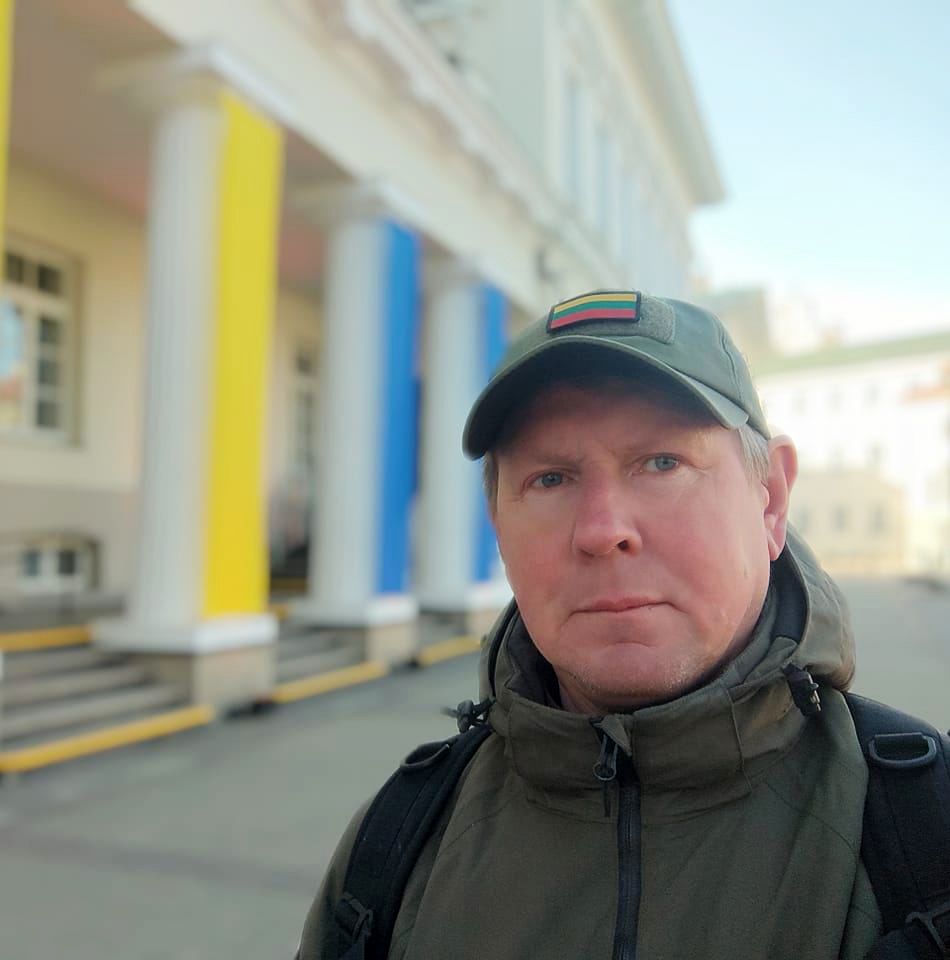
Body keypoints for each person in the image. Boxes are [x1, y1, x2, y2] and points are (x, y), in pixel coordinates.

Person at [296, 291, 928, 960]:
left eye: (662, 463)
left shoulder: (925, 839)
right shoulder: (394, 848)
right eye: (550, 479)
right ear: (499, 527)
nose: (602, 531)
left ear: (770, 499)